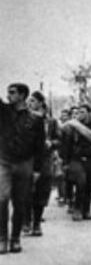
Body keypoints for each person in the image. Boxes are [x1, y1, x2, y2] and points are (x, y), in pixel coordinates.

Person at [0, 83, 45, 254]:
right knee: (1, 199)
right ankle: (2, 238)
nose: (8, 95)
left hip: (25, 163)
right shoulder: (3, 112)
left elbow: (39, 147)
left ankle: (15, 239)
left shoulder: (36, 119)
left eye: (12, 93)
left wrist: (37, 170)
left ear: (22, 95)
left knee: (20, 203)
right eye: (8, 92)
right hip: (3, 162)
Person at [24, 91, 61, 236]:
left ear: (41, 103)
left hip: (45, 159)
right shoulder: (24, 119)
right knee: (26, 190)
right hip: (27, 159)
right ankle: (26, 220)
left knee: (42, 190)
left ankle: (37, 223)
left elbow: (60, 140)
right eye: (28, 101)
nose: (29, 104)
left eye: (33, 101)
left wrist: (51, 143)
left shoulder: (51, 122)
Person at [61, 104, 91, 221]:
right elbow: (67, 145)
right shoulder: (72, 127)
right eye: (79, 112)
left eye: (83, 112)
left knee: (89, 185)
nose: (80, 114)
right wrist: (66, 161)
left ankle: (86, 209)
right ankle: (77, 209)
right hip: (77, 159)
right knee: (81, 183)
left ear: (89, 113)